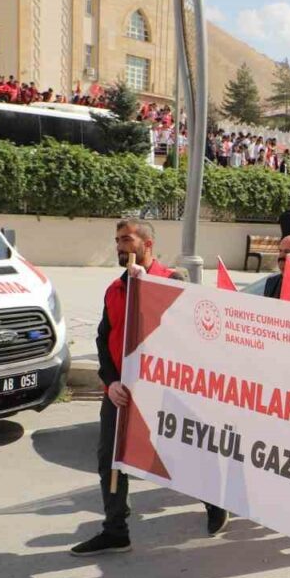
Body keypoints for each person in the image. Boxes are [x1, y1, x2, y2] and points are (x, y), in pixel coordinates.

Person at [72, 220, 226, 557]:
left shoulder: (172, 281)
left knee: (179, 454)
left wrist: (151, 290)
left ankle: (213, 501)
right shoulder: (115, 288)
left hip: (162, 390)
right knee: (109, 458)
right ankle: (116, 530)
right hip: (121, 390)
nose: (120, 246)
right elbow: (103, 338)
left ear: (148, 244)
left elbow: (186, 335)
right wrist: (110, 381)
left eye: (127, 239)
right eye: (116, 241)